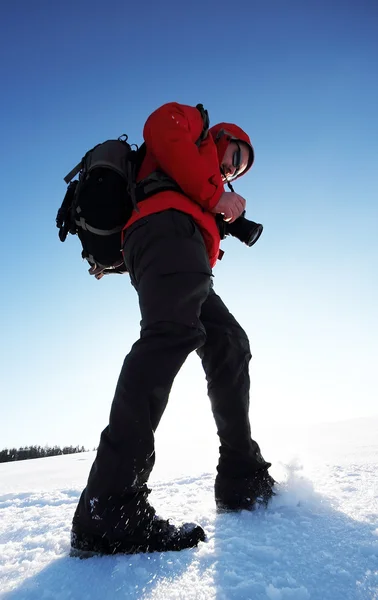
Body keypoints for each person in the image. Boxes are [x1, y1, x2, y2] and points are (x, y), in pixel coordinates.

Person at [70, 102, 274, 557]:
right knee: (168, 335)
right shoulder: (193, 124)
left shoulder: (202, 179)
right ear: (224, 136)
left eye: (237, 173)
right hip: (165, 232)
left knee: (228, 342)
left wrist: (221, 212)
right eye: (237, 157)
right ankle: (109, 506)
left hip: (183, 248)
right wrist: (214, 194)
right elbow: (160, 126)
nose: (232, 171)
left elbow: (200, 190)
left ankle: (241, 476)